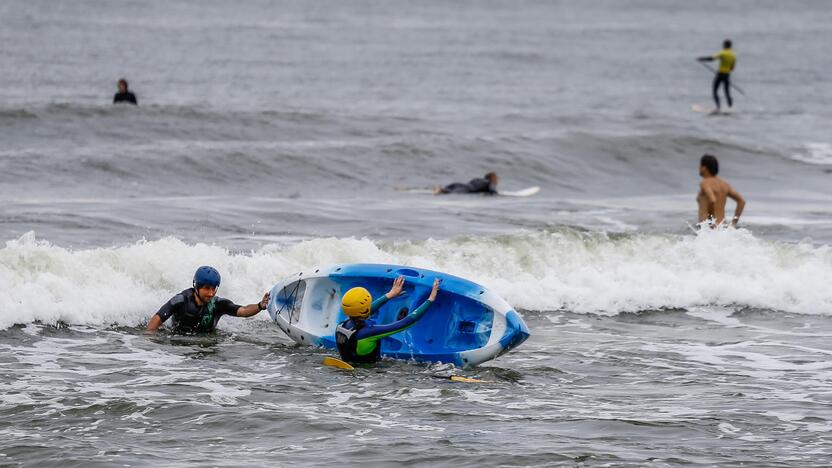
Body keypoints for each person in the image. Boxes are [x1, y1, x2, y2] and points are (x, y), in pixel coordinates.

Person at [336, 276, 441, 364]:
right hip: (369, 373)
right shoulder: (368, 332)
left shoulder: (342, 325)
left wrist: (390, 294)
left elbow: (366, 310)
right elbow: (406, 323)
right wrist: (430, 299)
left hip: (349, 365)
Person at [146, 266, 269, 334]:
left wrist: (260, 306)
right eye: (206, 289)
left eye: (213, 289)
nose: (211, 293)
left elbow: (243, 311)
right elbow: (157, 318)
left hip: (206, 345)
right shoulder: (181, 300)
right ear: (196, 286)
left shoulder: (218, 304)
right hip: (179, 344)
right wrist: (150, 340)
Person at [697, 154, 746, 227]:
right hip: (723, 226)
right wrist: (733, 223)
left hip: (708, 228)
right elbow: (741, 201)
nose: (698, 168)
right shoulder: (724, 184)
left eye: (700, 166)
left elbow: (712, 200)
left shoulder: (705, 183)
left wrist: (711, 222)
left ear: (704, 168)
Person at [698, 40, 736, 111]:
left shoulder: (722, 53)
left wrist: (701, 59)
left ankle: (718, 107)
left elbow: (711, 59)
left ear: (724, 45)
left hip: (720, 74)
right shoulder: (733, 55)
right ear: (730, 46)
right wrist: (726, 71)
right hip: (727, 75)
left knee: (715, 91)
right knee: (727, 92)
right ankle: (730, 108)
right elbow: (732, 67)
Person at [434, 172, 498, 195]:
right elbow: (492, 190)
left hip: (457, 184)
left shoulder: (477, 179)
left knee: (445, 190)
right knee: (450, 194)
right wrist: (497, 195)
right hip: (465, 189)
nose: (497, 182)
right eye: (496, 179)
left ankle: (440, 188)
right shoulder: (489, 182)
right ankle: (440, 189)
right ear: (493, 179)